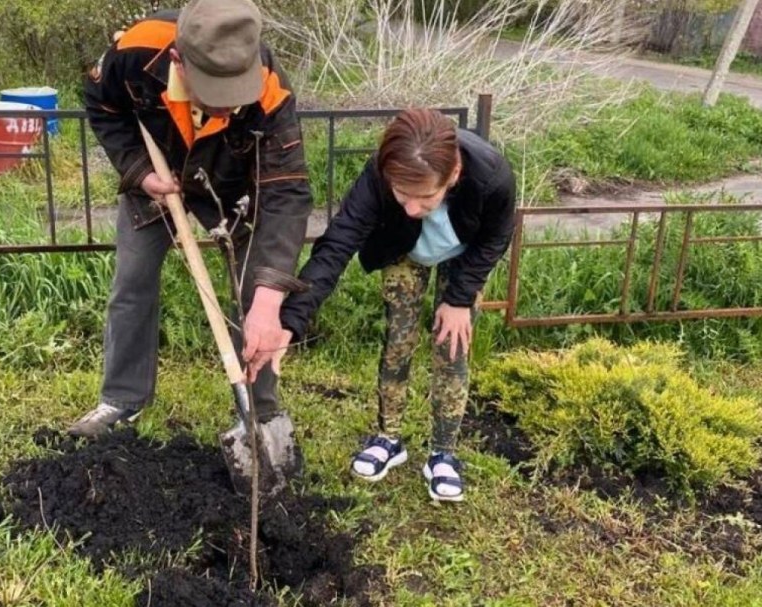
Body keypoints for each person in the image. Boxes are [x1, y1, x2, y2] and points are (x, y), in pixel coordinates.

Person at [69, 0, 312, 438]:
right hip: (160, 177)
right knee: (132, 282)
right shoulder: (137, 52)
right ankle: (121, 399)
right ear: (179, 60)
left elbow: (287, 191)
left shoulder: (271, 88)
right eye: (213, 93)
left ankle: (259, 413)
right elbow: (103, 107)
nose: (224, 110)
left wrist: (270, 296)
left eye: (234, 95)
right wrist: (140, 172)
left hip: (230, 188)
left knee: (257, 295)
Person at [252, 108, 515, 502]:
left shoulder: (491, 176)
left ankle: (444, 453)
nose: (411, 208)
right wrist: (290, 320)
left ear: (453, 176)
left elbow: (497, 235)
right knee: (397, 341)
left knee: (452, 348)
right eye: (401, 195)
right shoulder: (378, 175)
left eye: (425, 198)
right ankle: (389, 438)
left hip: (465, 257)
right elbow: (336, 246)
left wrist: (459, 298)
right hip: (403, 250)